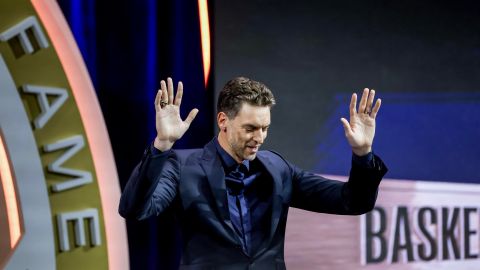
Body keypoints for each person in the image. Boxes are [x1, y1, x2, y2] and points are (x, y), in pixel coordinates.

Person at [119, 77, 388, 270]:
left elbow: (352, 202)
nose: (259, 138)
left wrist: (363, 153)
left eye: (265, 128)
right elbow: (135, 209)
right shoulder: (182, 165)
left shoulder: (277, 168)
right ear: (223, 121)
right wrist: (162, 145)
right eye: (250, 128)